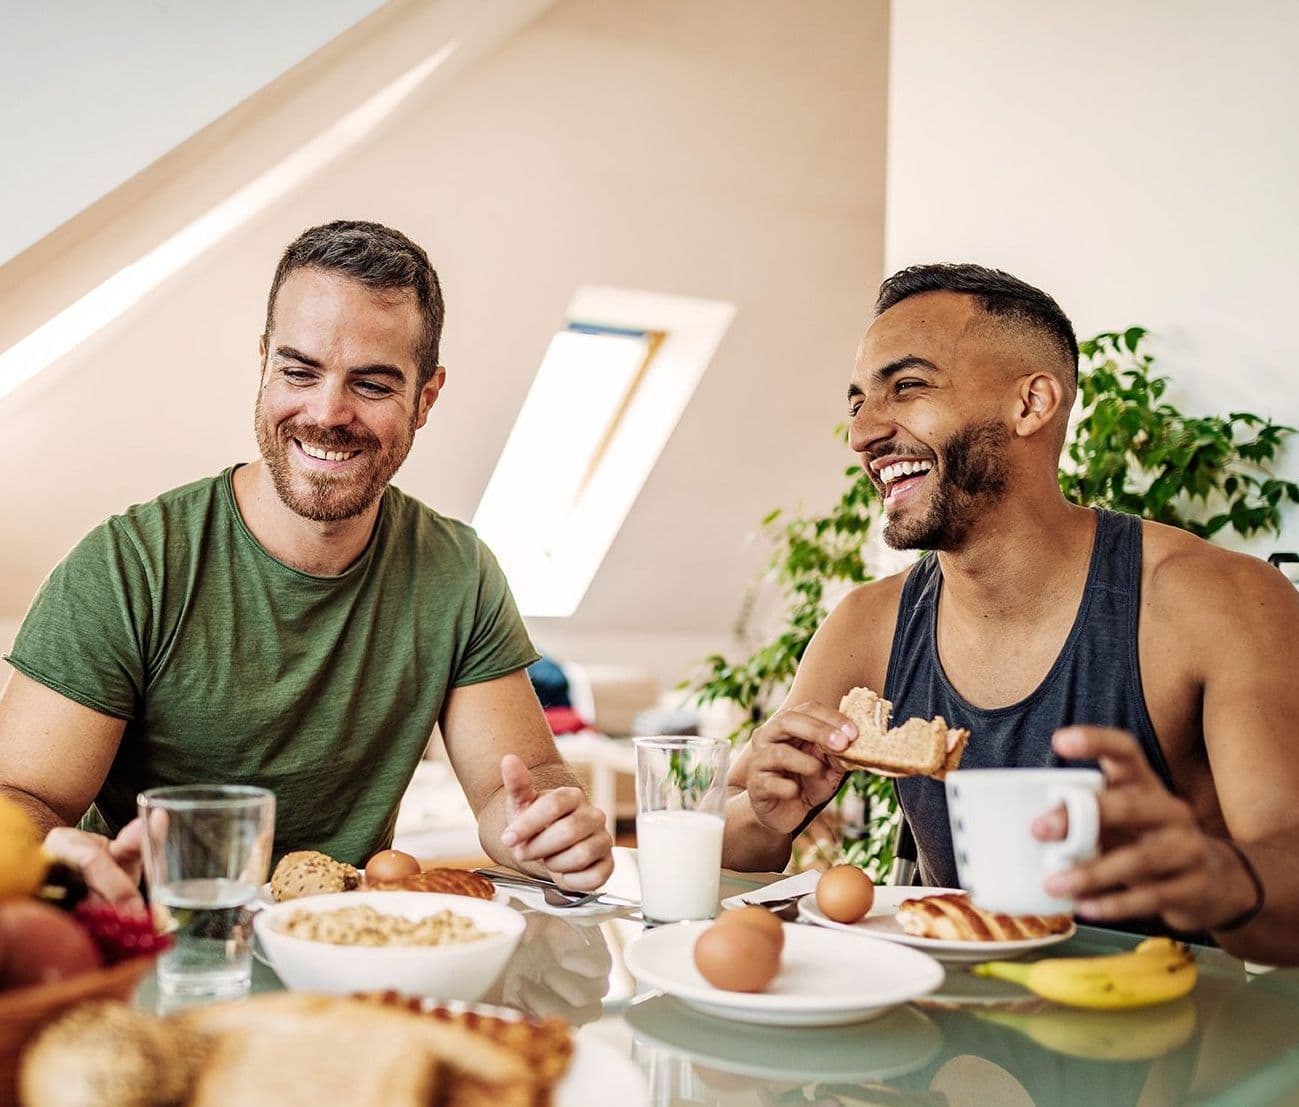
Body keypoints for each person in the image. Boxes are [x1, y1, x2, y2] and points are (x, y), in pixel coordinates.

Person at [0, 220, 613, 908]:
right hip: (149, 941)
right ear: (264, 364)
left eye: (372, 384)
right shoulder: (128, 567)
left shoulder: (459, 572)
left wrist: (550, 823)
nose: (327, 413)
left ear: (425, 398)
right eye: (299, 371)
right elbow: (19, 795)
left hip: (347, 944)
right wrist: (49, 851)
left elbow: (515, 784)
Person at [725, 263, 1299, 964]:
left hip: (1165, 1020)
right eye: (857, 402)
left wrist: (1217, 877)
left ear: (1031, 404)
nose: (863, 433)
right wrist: (763, 815)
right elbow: (729, 841)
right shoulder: (866, 625)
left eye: (907, 386)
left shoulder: (1220, 601)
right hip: (943, 1020)